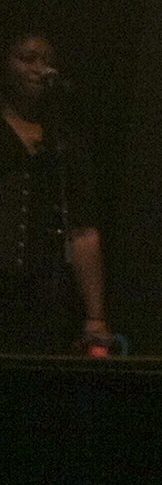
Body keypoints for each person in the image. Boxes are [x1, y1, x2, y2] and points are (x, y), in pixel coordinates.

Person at [1, 30, 112, 355]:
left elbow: (83, 230)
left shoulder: (64, 139)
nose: (40, 69)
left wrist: (95, 318)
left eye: (47, 61)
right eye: (27, 59)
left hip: (42, 297)